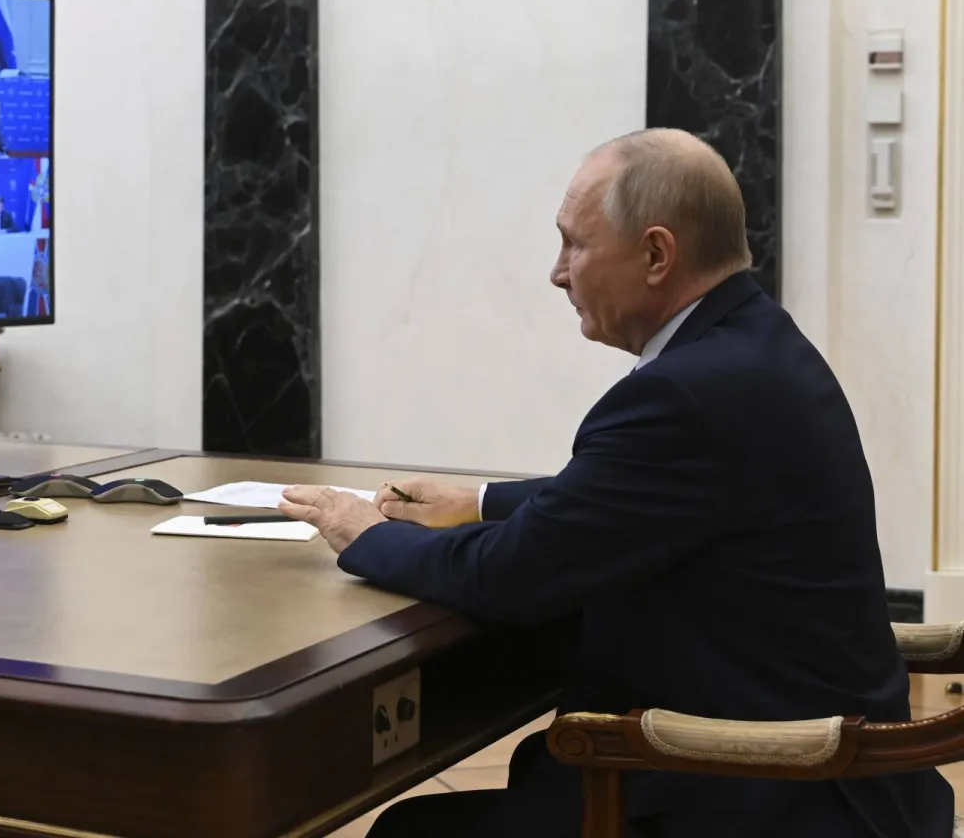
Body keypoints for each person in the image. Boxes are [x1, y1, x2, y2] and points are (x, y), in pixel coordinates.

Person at [278, 129, 955, 838]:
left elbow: (506, 579)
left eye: (575, 244)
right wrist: (478, 502)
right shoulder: (756, 344)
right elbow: (640, 497)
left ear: (657, 254)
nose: (557, 272)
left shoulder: (683, 395)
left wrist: (366, 535)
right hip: (843, 788)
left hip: (763, 797)